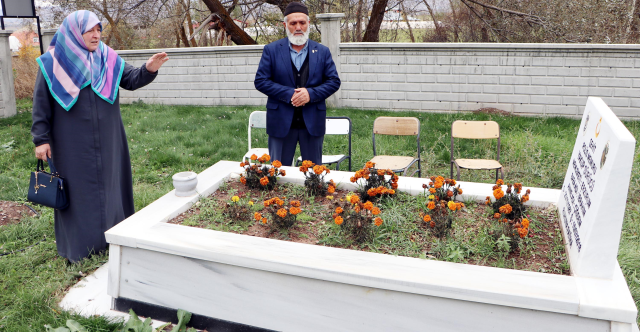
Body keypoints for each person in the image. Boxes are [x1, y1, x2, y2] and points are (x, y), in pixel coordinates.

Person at [31, 10, 169, 263]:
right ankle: (81, 248)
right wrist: (40, 139)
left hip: (109, 139)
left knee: (111, 186)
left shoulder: (108, 56)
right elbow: (41, 103)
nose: (96, 35)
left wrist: (149, 69)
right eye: (90, 31)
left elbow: (130, 78)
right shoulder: (52, 62)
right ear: (75, 32)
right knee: (77, 192)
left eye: (99, 30)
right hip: (70, 142)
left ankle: (115, 238)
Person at [254, 2, 341, 166]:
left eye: (302, 22)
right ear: (285, 25)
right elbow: (261, 81)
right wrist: (289, 94)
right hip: (280, 121)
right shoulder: (271, 50)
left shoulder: (322, 51)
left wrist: (310, 94)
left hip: (312, 122)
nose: (298, 27)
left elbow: (333, 81)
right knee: (279, 174)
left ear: (308, 23)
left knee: (313, 175)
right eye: (293, 23)